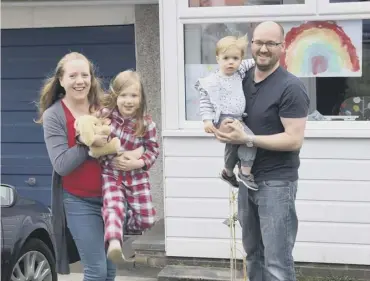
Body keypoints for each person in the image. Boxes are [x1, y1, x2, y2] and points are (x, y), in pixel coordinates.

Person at [214, 21, 310, 281]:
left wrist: (247, 139)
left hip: (277, 182)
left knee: (277, 262)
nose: (263, 49)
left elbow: (294, 140)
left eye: (271, 43)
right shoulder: (241, 79)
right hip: (247, 181)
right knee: (254, 255)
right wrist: (219, 128)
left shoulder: (291, 87)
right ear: (251, 44)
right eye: (258, 42)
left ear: (283, 46)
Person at [37, 52, 136, 280]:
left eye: (85, 75)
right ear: (61, 80)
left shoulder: (106, 106)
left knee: (110, 269)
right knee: (96, 269)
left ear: (92, 78)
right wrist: (86, 142)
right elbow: (61, 165)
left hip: (113, 198)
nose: (80, 81)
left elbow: (130, 138)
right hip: (79, 202)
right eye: (73, 75)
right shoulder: (55, 115)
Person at [97, 70, 159, 263]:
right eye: (123, 95)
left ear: (141, 98)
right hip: (112, 175)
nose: (128, 101)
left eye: (134, 95)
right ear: (115, 97)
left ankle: (122, 230)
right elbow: (93, 141)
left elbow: (153, 150)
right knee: (114, 206)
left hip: (137, 177)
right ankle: (114, 241)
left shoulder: (146, 123)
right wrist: (108, 156)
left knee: (147, 218)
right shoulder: (106, 118)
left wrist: (138, 161)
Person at [195, 35, 257, 190]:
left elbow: (253, 60)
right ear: (218, 59)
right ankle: (245, 172)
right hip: (224, 120)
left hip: (238, 119)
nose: (231, 62)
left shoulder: (239, 72)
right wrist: (207, 121)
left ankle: (228, 172)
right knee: (250, 141)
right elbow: (205, 102)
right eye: (226, 58)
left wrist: (262, 55)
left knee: (233, 145)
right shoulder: (213, 81)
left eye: (235, 58)